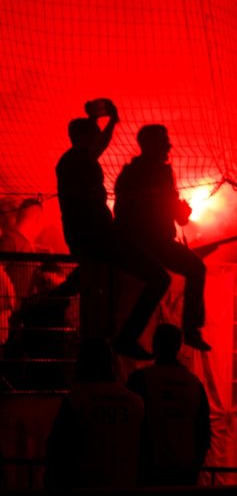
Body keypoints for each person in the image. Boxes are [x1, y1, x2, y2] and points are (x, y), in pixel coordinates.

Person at [55, 99, 167, 360]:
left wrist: (109, 121)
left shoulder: (75, 159)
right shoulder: (77, 160)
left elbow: (97, 143)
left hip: (92, 237)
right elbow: (97, 144)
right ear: (82, 138)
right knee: (158, 277)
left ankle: (59, 296)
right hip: (98, 237)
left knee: (93, 283)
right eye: (93, 136)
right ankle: (126, 338)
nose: (100, 143)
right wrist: (104, 120)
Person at [114, 124, 209, 351]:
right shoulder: (138, 175)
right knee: (180, 274)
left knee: (189, 270)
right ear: (152, 145)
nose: (169, 145)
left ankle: (188, 331)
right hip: (141, 242)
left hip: (154, 241)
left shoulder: (153, 173)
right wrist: (176, 212)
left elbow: (177, 215)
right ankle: (189, 331)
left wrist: (181, 212)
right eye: (164, 141)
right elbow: (129, 211)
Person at [44, 338, 144, 489]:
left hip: (85, 487)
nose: (76, 365)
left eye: (79, 360)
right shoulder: (135, 402)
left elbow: (58, 450)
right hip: (126, 486)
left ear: (86, 363)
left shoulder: (76, 400)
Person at [126, 323, 211, 486]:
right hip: (184, 470)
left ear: (155, 345)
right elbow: (203, 432)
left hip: (150, 469)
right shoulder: (194, 384)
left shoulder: (141, 380)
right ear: (178, 347)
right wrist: (194, 465)